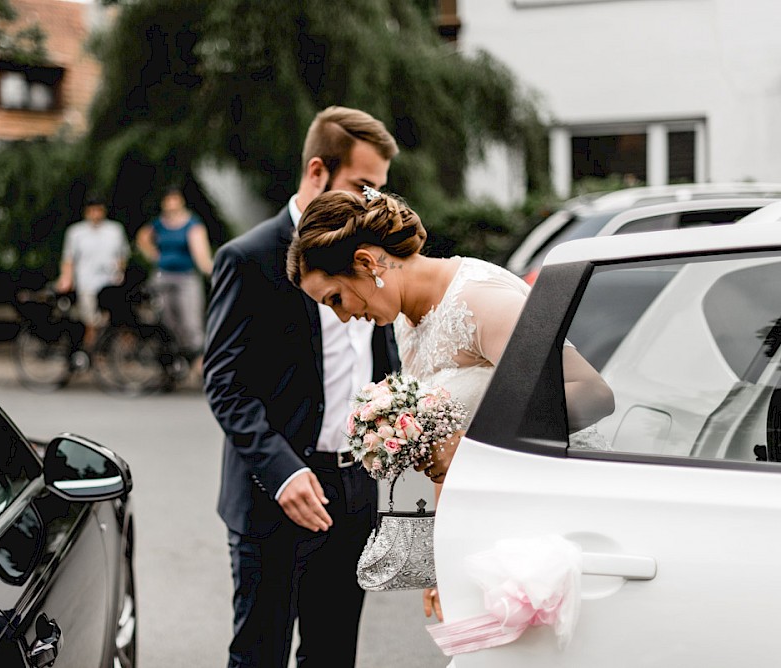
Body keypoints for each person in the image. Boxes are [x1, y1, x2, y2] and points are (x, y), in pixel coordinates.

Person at [286, 187, 616, 624]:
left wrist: (474, 442)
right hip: (487, 517)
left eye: (336, 299)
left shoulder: (480, 300)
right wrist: (445, 557)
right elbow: (444, 452)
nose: (343, 317)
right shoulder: (407, 323)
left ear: (366, 263)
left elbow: (591, 393)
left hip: (552, 515)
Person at [203, 106, 401, 668]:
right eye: (362, 186)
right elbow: (224, 383)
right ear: (318, 173)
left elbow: (380, 361)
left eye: (380, 191)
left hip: (351, 495)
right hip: (275, 495)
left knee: (334, 655)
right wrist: (283, 470)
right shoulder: (248, 258)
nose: (373, 204)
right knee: (259, 656)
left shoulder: (371, 256)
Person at [136, 186, 214, 361]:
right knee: (166, 321)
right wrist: (153, 254)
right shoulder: (159, 223)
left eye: (174, 199)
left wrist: (210, 269)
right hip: (162, 276)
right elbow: (142, 237)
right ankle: (176, 360)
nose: (171, 204)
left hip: (186, 277)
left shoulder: (192, 224)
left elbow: (201, 254)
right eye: (168, 200)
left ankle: (199, 362)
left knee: (191, 321)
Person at [55, 197, 130, 351]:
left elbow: (123, 255)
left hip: (110, 282)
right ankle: (91, 352)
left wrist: (120, 271)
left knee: (116, 320)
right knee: (90, 321)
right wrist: (66, 278)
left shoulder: (115, 230)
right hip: (86, 283)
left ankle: (113, 351)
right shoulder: (76, 232)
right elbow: (68, 259)